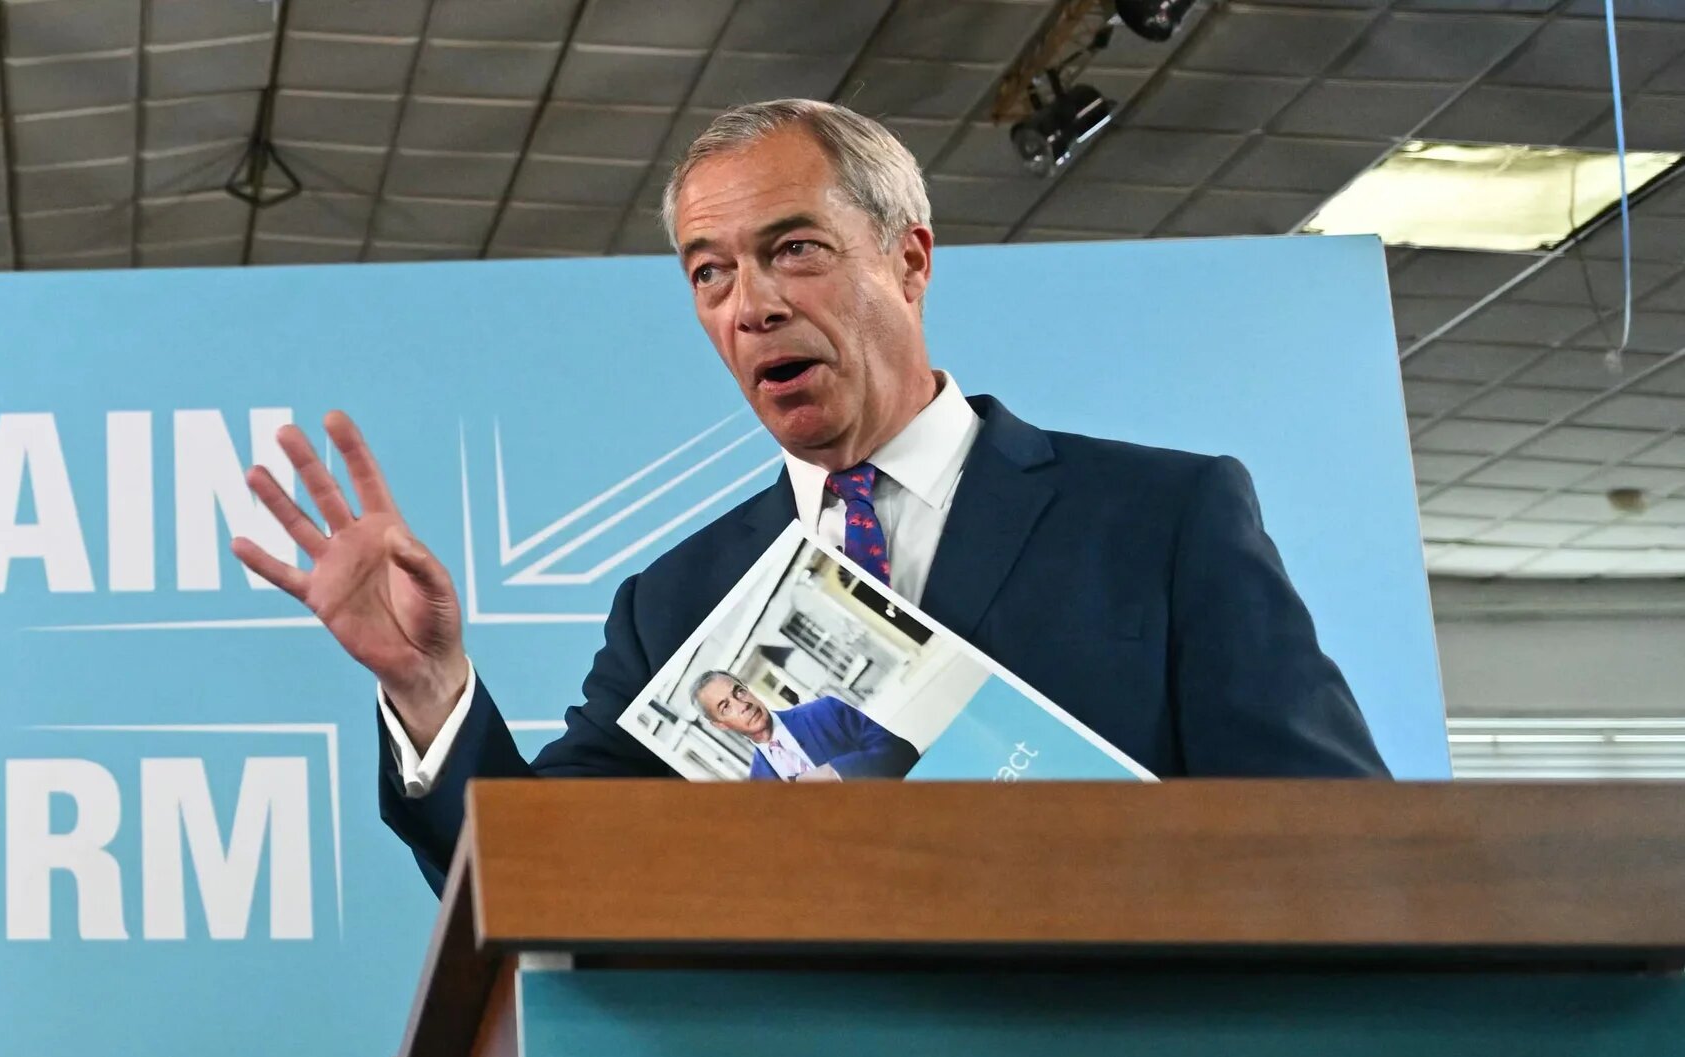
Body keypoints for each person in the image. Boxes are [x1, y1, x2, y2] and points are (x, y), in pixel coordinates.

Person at [228, 99, 1386, 889]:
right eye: (709, 273)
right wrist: (429, 687)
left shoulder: (1160, 519)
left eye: (792, 250)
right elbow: (538, 871)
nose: (751, 306)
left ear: (908, 260)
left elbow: (1337, 846)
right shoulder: (675, 602)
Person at [692, 671, 919, 781]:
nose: (742, 705)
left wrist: (836, 773)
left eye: (739, 692)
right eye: (726, 707)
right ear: (720, 725)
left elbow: (902, 753)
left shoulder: (824, 712)